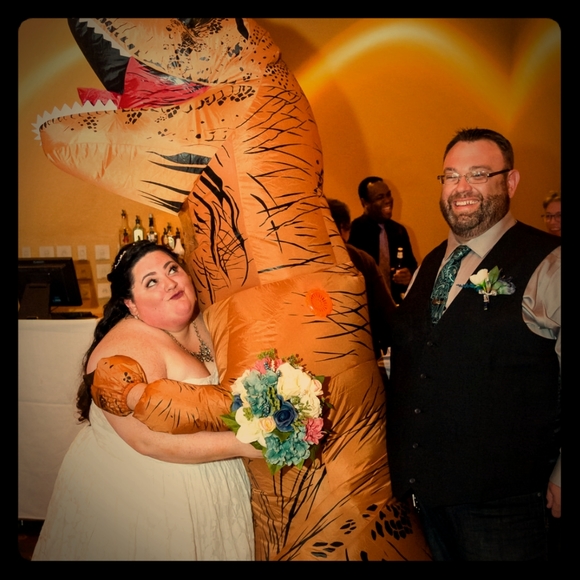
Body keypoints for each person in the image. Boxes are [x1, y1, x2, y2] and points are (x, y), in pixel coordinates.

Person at [386, 128, 561, 561]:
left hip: (505, 503)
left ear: (510, 182)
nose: (461, 187)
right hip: (423, 498)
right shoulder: (431, 263)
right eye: (451, 176)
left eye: (478, 174)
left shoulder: (550, 261)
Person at [33, 240, 261, 561]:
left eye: (172, 270)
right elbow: (147, 441)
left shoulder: (205, 318)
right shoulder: (124, 349)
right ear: (131, 304)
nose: (169, 283)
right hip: (145, 498)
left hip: (212, 484)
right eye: (151, 282)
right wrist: (243, 444)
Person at [327, 197, 396, 359]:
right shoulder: (361, 260)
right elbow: (387, 315)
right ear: (344, 227)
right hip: (361, 352)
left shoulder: (300, 263)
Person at [349, 176, 417, 304]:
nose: (387, 200)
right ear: (365, 203)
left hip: (396, 304)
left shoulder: (399, 231)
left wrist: (409, 275)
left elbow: (412, 266)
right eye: (380, 197)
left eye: (388, 195)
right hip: (366, 306)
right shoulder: (355, 231)